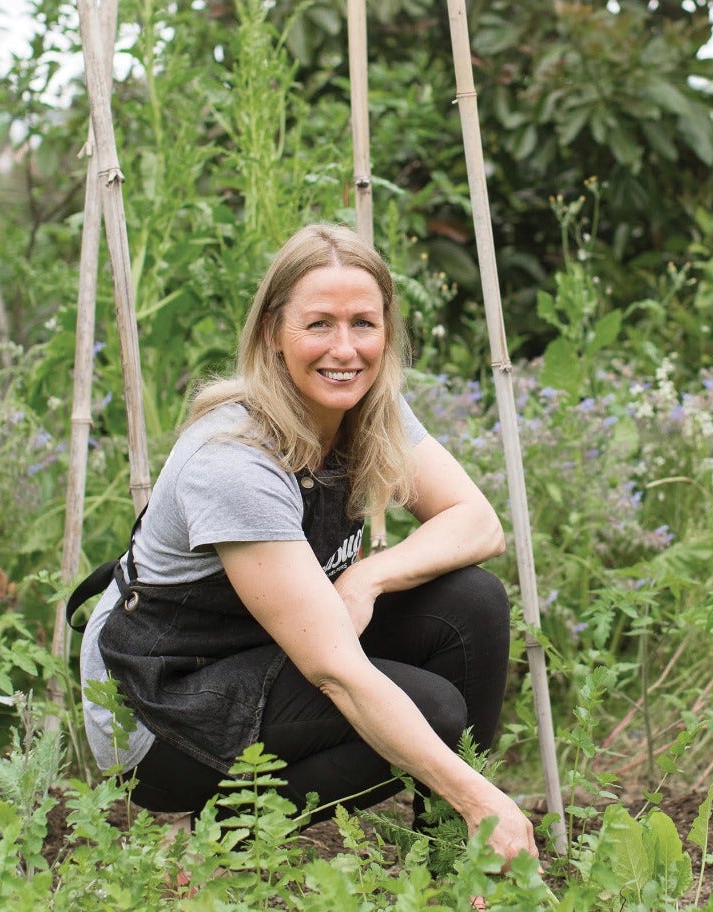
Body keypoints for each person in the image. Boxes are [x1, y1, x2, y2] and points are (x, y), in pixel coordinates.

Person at [76, 222, 538, 865]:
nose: (344, 349)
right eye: (319, 324)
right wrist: (482, 794)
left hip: (267, 649)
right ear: (273, 333)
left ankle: (456, 860)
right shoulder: (235, 460)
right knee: (431, 710)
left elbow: (477, 523)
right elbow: (334, 671)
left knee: (473, 602)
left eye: (363, 324)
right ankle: (220, 836)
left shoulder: (366, 409)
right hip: (164, 707)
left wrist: (367, 578)